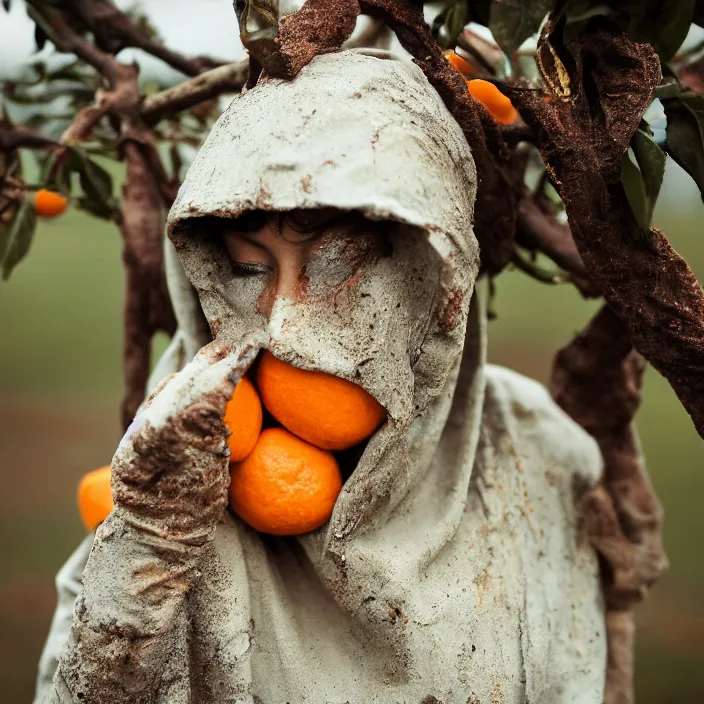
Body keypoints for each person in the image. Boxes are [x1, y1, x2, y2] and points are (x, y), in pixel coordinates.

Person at [34, 48, 606, 704]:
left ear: (434, 279)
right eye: (249, 271)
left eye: (338, 268)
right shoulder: (172, 465)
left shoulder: (537, 456)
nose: (284, 327)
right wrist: (145, 556)